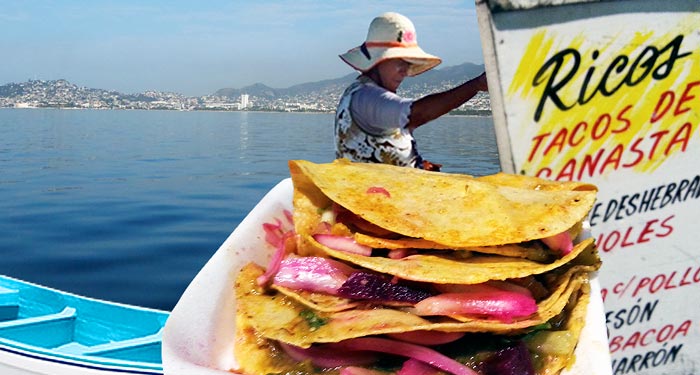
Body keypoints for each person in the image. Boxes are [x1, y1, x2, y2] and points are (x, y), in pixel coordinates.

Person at [335, 12, 488, 171]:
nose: (405, 70)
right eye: (398, 61)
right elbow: (416, 114)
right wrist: (476, 85)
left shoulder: (360, 92)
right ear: (377, 61)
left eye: (408, 63)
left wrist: (418, 166)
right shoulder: (366, 97)